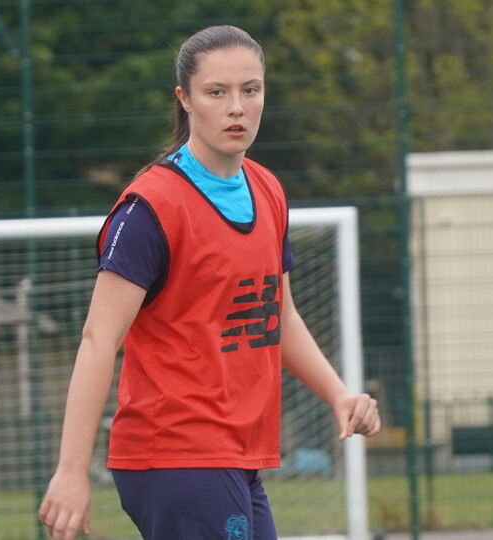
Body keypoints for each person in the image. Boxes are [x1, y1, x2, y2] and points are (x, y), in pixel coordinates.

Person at [38, 25, 381, 540]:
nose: (237, 107)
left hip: (236, 454)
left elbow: (277, 314)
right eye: (216, 92)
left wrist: (338, 394)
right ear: (185, 100)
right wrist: (70, 471)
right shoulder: (151, 208)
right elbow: (98, 339)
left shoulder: (267, 189)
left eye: (251, 89)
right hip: (175, 451)